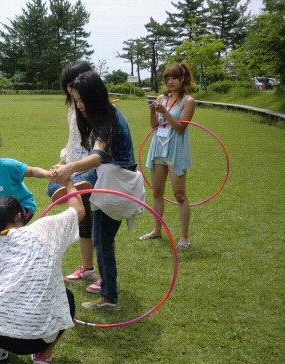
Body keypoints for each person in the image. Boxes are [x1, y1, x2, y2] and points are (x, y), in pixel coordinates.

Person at [0, 183, 85, 364]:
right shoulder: (43, 229)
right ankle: (43, 356)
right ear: (20, 216)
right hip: (39, 338)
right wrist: (68, 181)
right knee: (66, 297)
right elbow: (78, 210)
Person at [48, 71, 144, 312]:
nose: (78, 105)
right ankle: (78, 188)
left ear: (94, 97)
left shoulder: (107, 121)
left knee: (102, 239)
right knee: (54, 186)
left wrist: (69, 168)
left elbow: (98, 155)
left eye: (82, 100)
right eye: (75, 99)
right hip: (107, 178)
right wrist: (66, 167)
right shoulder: (104, 115)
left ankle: (109, 297)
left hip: (116, 183)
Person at [45, 61, 101, 291]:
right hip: (75, 165)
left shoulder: (99, 112)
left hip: (95, 168)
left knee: (100, 225)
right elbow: (73, 142)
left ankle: (106, 275)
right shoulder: (73, 109)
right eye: (68, 86)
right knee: (83, 220)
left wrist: (72, 168)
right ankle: (87, 267)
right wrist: (62, 164)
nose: (71, 90)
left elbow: (100, 151)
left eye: (74, 84)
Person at [139, 61, 196, 251]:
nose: (170, 82)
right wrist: (153, 112)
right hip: (158, 148)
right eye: (167, 78)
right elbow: (155, 127)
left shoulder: (188, 101)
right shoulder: (161, 98)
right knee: (157, 192)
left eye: (174, 78)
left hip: (175, 150)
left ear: (182, 79)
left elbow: (180, 127)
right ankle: (157, 230)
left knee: (179, 194)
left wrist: (165, 112)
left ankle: (184, 237)